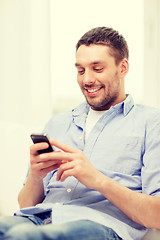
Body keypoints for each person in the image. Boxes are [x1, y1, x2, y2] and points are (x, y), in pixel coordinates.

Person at [0, 26, 160, 240]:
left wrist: (96, 179)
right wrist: (36, 177)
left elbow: (157, 215)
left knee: (23, 236)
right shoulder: (57, 123)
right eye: (81, 70)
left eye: (97, 68)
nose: (87, 80)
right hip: (35, 218)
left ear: (122, 68)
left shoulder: (151, 123)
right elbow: (26, 205)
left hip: (98, 224)